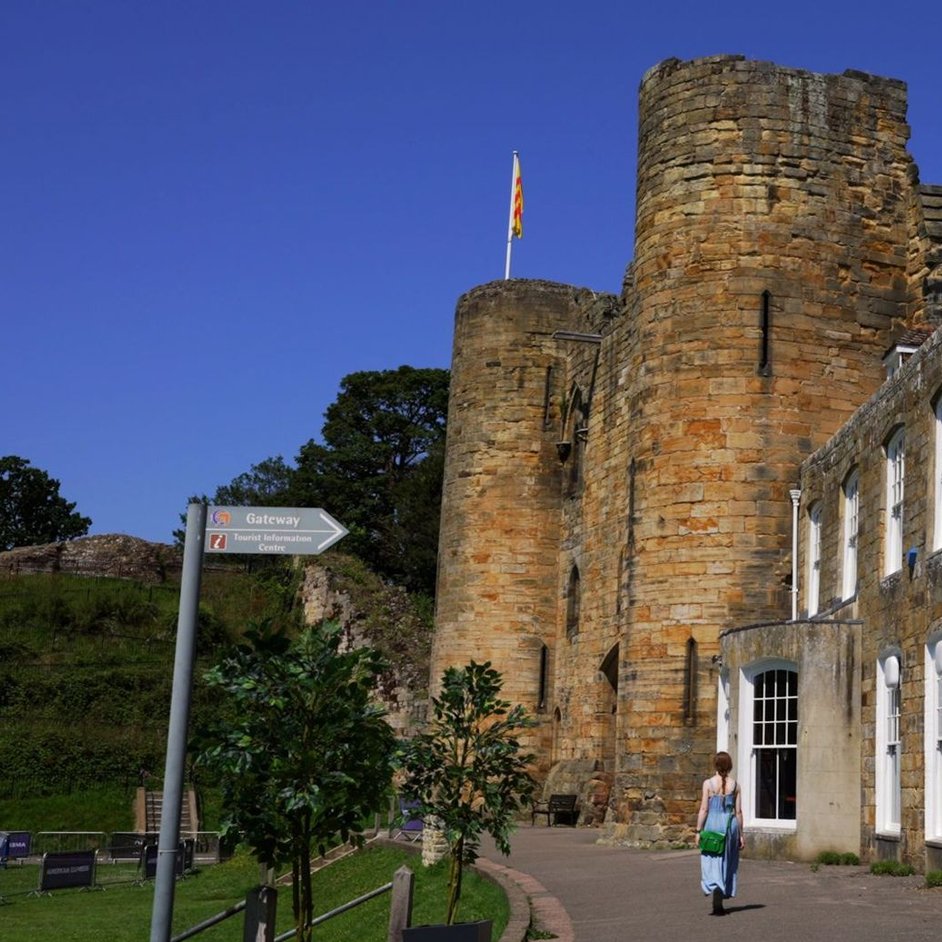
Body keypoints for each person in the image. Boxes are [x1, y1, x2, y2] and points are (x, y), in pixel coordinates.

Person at [695, 751, 744, 915]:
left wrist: (698, 830)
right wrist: (741, 835)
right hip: (730, 826)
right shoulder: (736, 786)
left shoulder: (708, 784)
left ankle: (713, 886)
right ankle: (720, 894)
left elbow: (704, 809)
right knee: (727, 861)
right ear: (730, 766)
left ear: (715, 765)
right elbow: (738, 812)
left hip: (713, 825)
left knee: (711, 858)